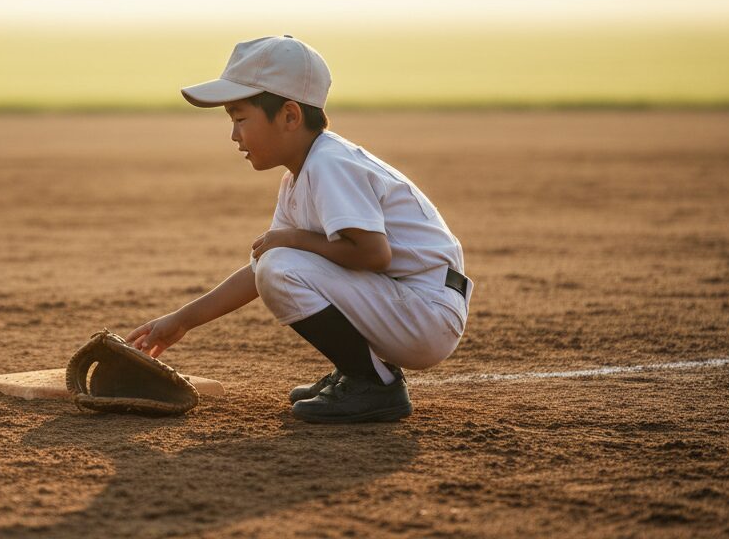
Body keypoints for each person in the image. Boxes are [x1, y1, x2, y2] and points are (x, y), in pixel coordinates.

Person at [127, 36, 472, 423]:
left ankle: (374, 383)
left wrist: (292, 239)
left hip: (425, 314)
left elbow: (373, 254)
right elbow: (264, 269)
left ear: (290, 116)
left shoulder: (330, 165)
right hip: (410, 305)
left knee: (281, 264)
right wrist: (180, 321)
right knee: (277, 263)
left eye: (240, 118)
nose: (234, 134)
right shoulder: (304, 173)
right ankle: (359, 371)